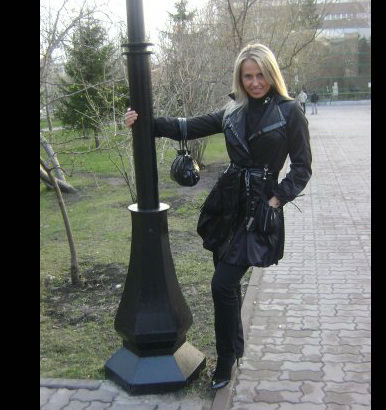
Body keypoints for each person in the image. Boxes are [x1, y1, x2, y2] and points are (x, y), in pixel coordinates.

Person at [125, 43, 312, 390]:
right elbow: (187, 127)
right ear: (240, 78)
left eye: (260, 75)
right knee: (227, 285)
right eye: (248, 76)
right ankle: (235, 349)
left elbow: (302, 168)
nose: (255, 82)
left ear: (271, 74)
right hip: (227, 205)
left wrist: (275, 200)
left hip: (259, 208)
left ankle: (225, 359)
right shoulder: (233, 110)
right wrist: (143, 121)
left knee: (222, 284)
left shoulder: (290, 112)